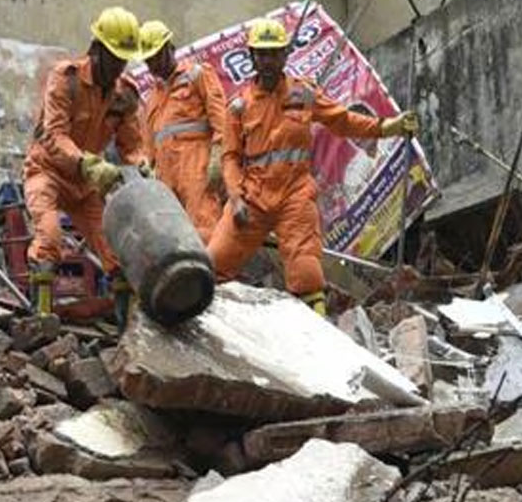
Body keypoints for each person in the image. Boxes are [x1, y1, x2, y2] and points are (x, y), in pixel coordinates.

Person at [207, 18, 418, 316]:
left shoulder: (303, 94)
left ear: (285, 55)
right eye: (261, 54)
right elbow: (229, 158)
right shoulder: (238, 107)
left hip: (294, 196)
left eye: (274, 53)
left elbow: (343, 120)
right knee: (213, 265)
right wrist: (236, 198)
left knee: (307, 275)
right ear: (252, 56)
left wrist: (388, 127)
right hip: (251, 197)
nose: (267, 61)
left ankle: (317, 335)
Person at [22, 6, 147, 324]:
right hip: (47, 171)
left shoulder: (124, 95)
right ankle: (42, 318)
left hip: (87, 184)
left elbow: (132, 145)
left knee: (116, 252)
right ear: (97, 49)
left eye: (124, 58)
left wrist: (142, 166)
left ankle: (127, 328)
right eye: (114, 56)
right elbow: (55, 134)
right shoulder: (66, 80)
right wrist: (88, 163)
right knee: (49, 237)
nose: (119, 65)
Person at [137, 20, 228, 242]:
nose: (153, 64)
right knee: (172, 234)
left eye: (157, 56)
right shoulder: (153, 98)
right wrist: (145, 163)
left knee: (203, 226)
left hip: (196, 167)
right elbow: (150, 141)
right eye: (148, 59)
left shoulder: (197, 75)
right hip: (166, 176)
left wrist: (218, 156)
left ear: (170, 48)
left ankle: (210, 275)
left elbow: (222, 120)